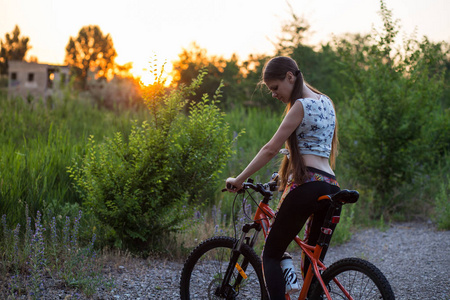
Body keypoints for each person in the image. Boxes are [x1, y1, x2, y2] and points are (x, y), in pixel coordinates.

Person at [226, 56, 341, 299]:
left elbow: (270, 149)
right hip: (331, 187)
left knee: (270, 254)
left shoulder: (300, 105)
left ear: (290, 76)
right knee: (312, 264)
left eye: (275, 88)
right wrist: (284, 178)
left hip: (307, 187)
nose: (273, 94)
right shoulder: (327, 102)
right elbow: (314, 149)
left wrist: (239, 179)